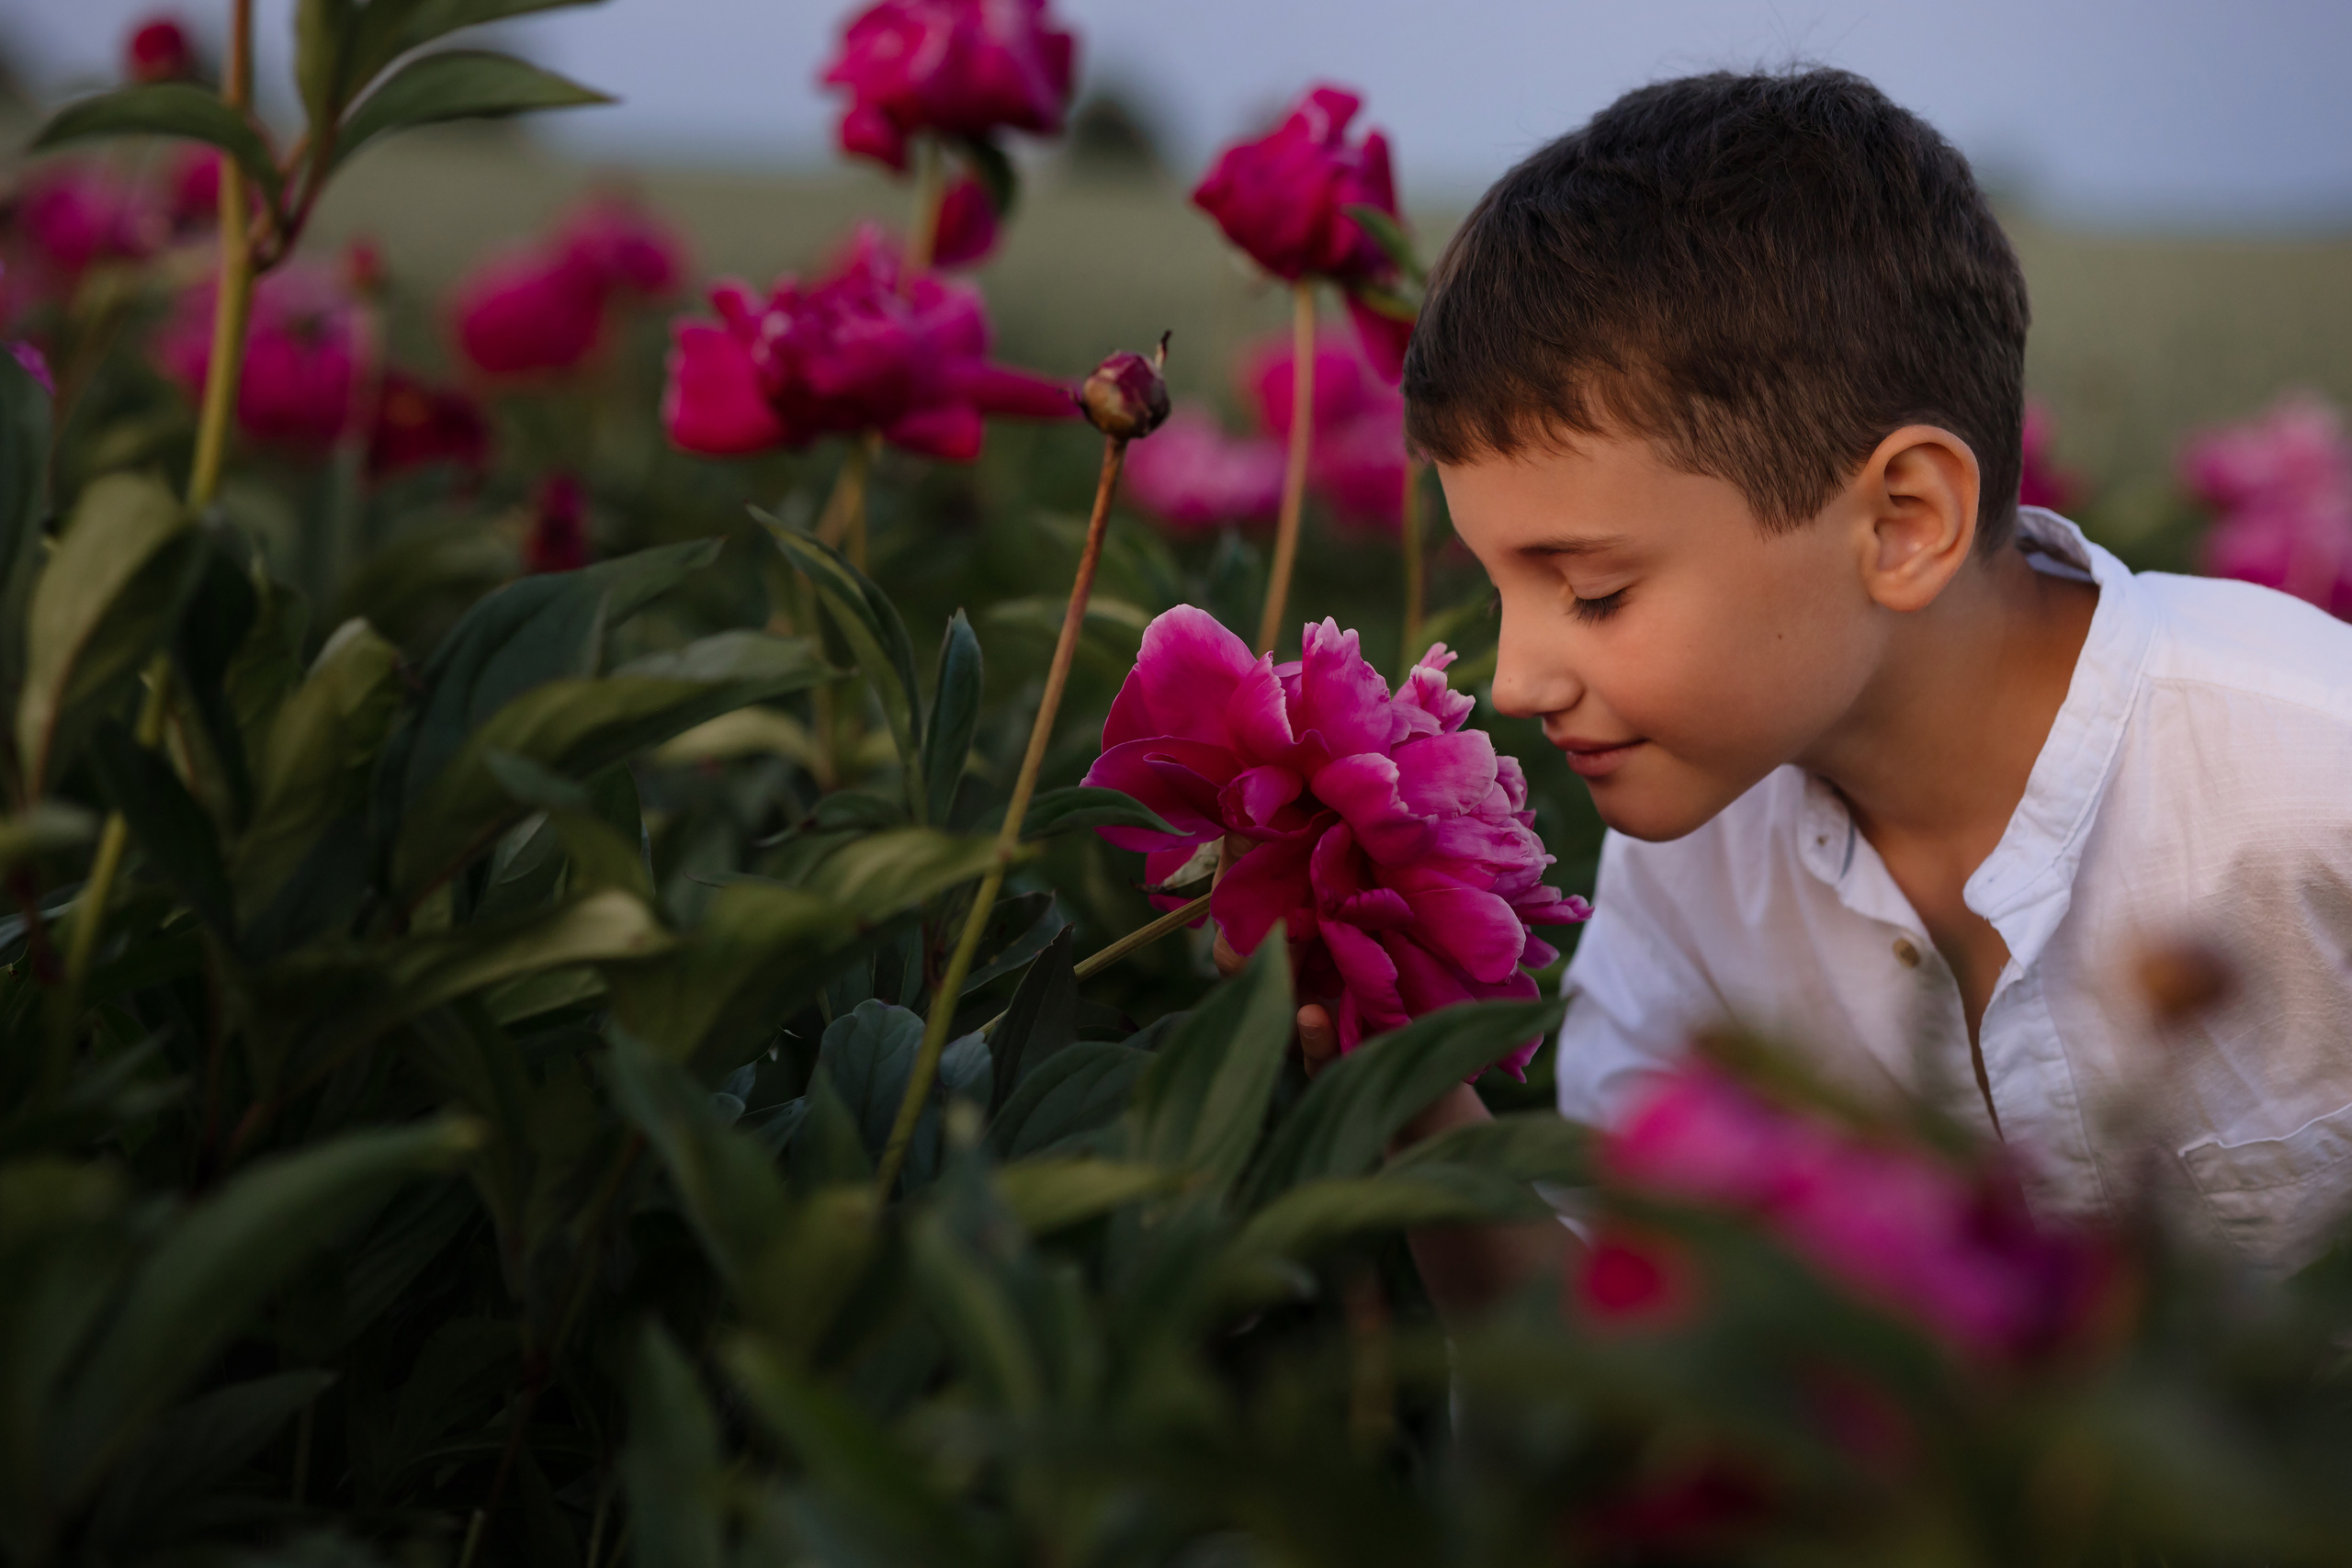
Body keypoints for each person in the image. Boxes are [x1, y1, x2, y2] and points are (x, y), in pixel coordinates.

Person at [1226, 66, 2352, 1313]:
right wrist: (1409, 1093)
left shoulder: (2311, 769)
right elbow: (1619, 1356)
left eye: (1593, 592)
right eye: (1499, 587)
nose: (1517, 680)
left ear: (1905, 522)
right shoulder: (1688, 860)